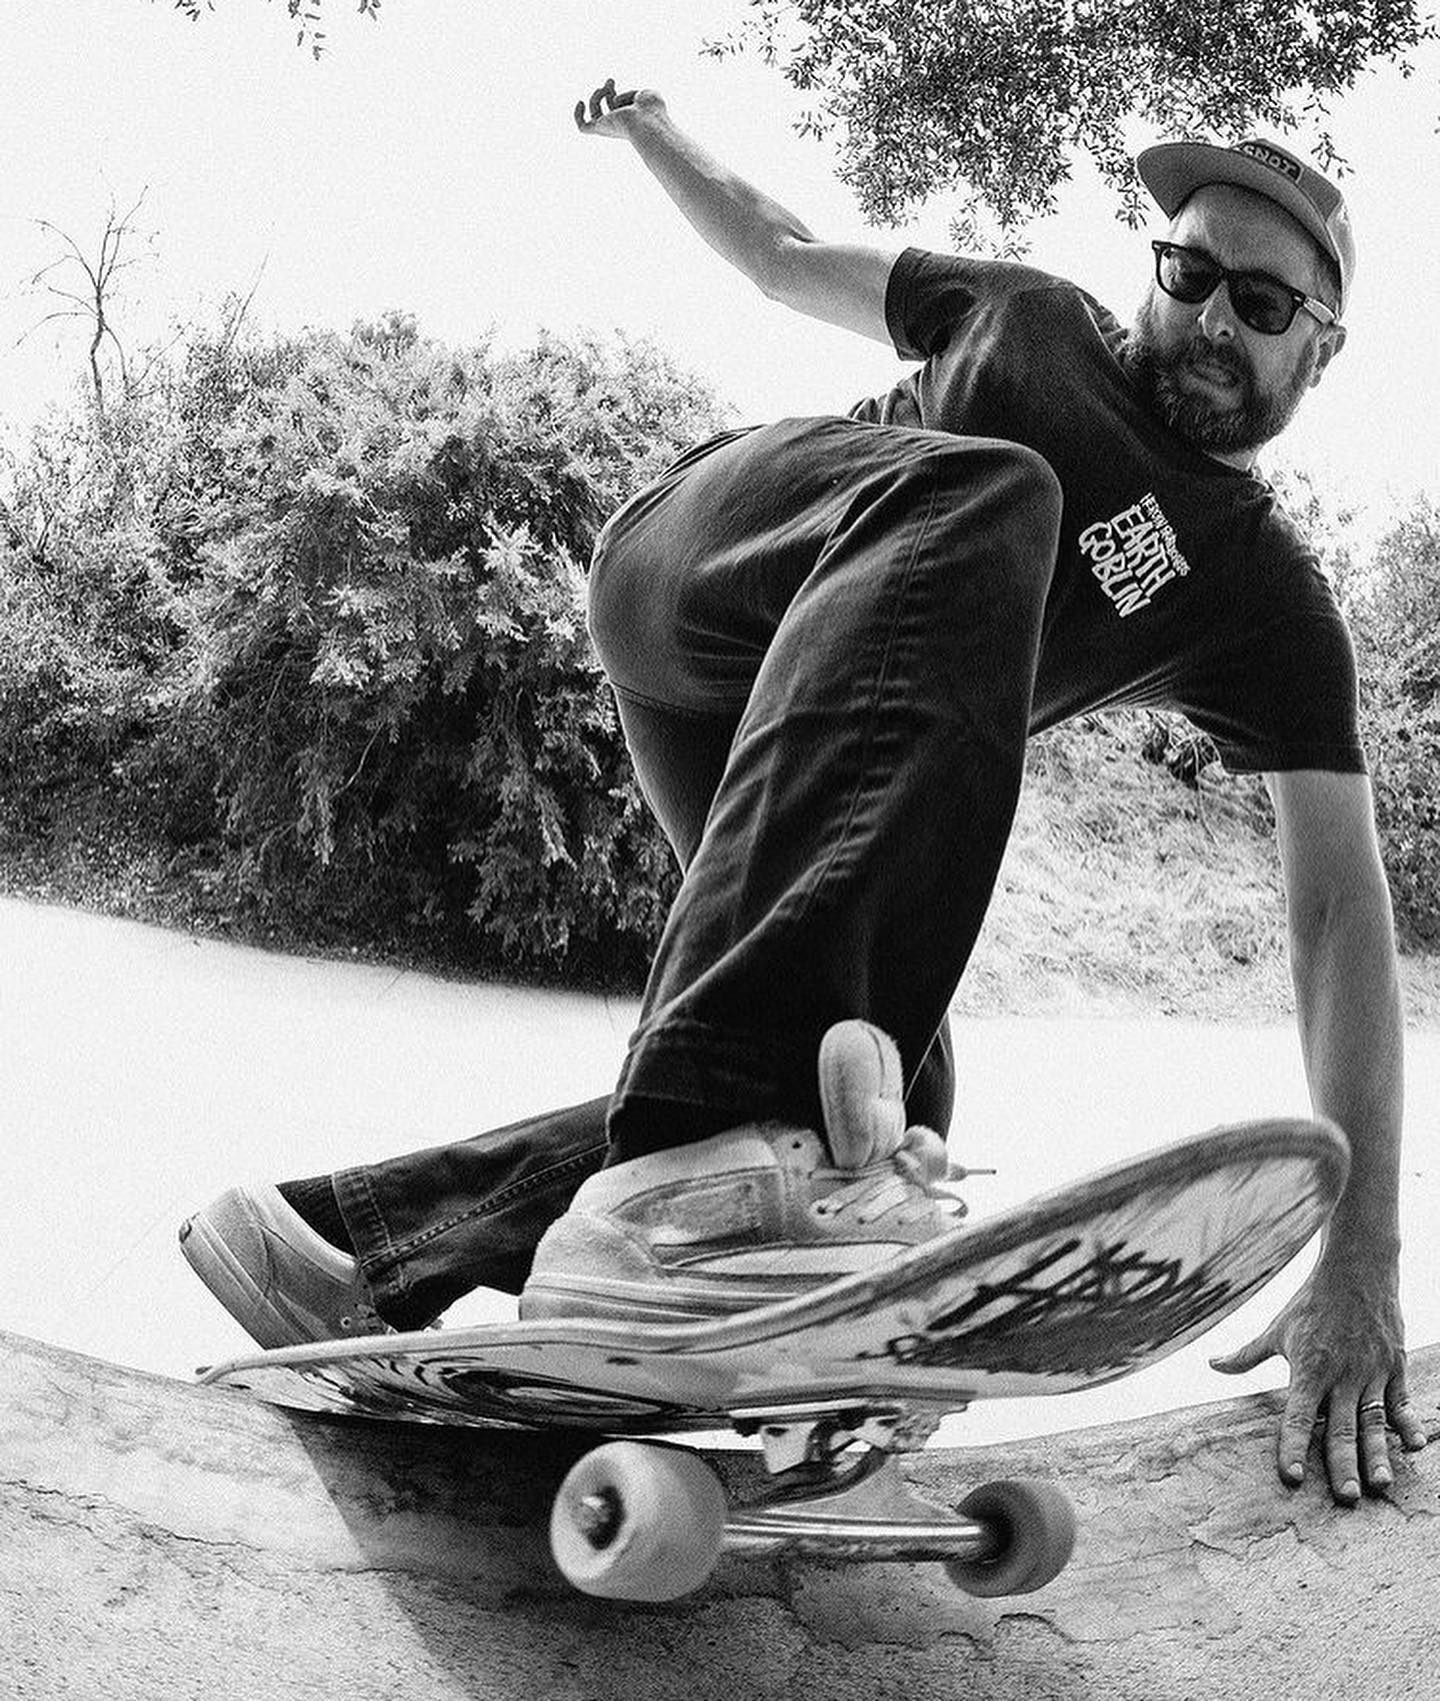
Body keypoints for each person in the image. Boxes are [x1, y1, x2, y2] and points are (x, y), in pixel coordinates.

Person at [181, 79, 1427, 1505]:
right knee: (993, 492)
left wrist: (1363, 1255)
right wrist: (651, 129)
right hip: (702, 576)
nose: (1211, 318)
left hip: (799, 747)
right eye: (1188, 273)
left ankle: (348, 1246)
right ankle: (673, 1211)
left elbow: (1339, 909)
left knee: (884, 1086)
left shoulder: (1270, 607)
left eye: (1258, 305)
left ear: (1319, 349)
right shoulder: (1026, 316)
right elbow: (781, 252)